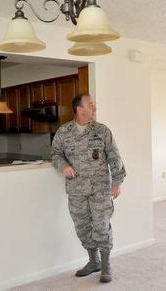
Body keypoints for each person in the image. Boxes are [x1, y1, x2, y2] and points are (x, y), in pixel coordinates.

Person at [51, 93, 126, 283]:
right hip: (76, 189)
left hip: (100, 188)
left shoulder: (102, 131)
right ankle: (94, 262)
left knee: (101, 225)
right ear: (79, 109)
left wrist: (116, 183)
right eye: (90, 105)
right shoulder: (64, 132)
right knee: (82, 227)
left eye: (93, 105)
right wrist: (64, 166)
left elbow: (114, 157)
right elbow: (55, 154)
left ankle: (106, 266)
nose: (94, 108)